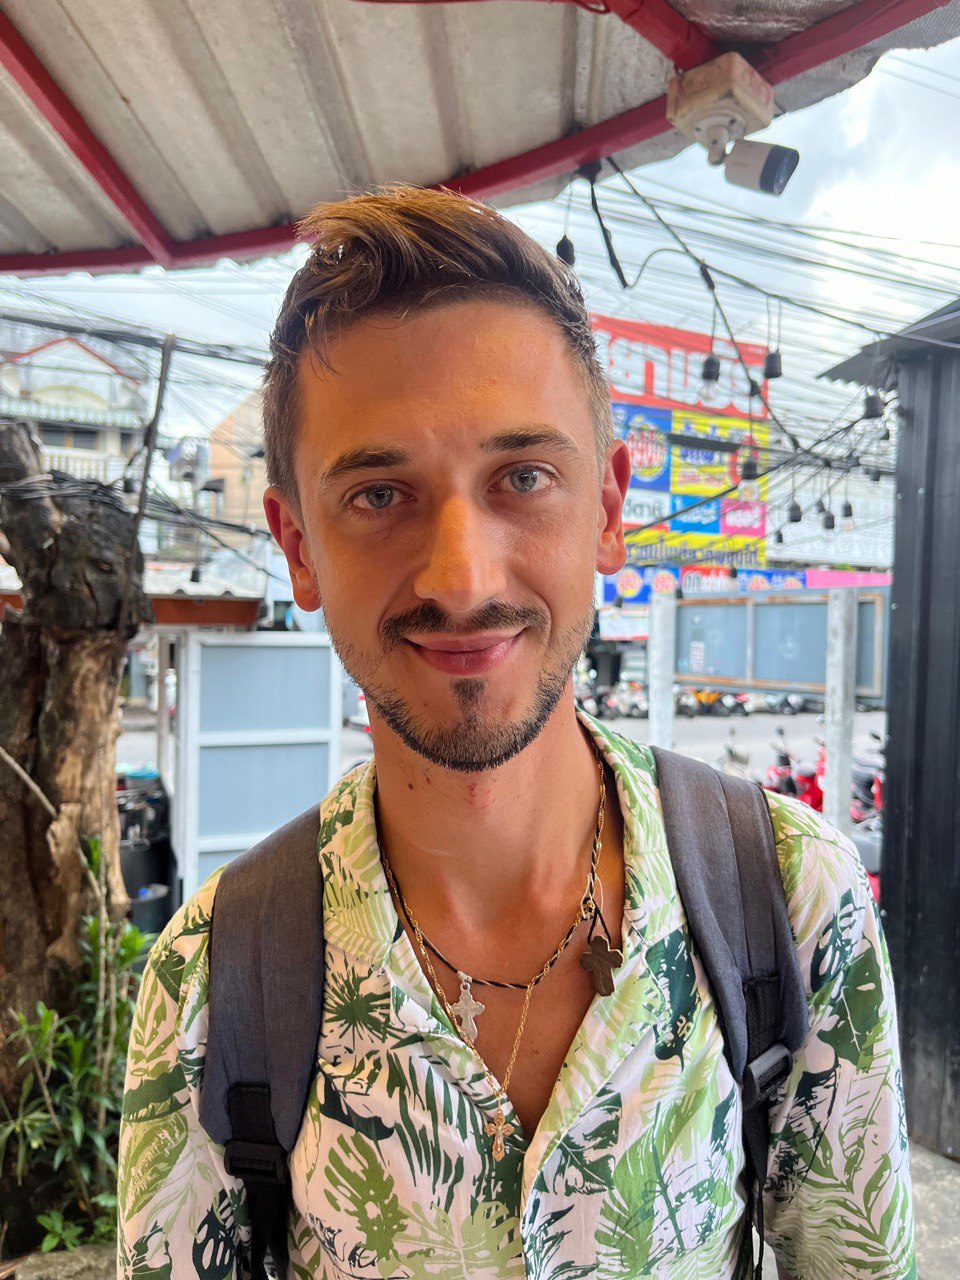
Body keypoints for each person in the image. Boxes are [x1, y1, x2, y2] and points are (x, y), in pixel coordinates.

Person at [118, 186, 914, 1280]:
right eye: (379, 494)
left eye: (524, 478)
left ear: (609, 509)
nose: (462, 578)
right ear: (297, 547)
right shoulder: (213, 983)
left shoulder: (789, 897)